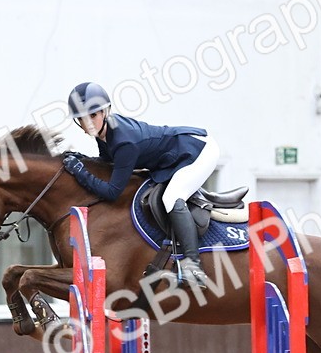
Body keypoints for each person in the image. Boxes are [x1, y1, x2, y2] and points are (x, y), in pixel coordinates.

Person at [61, 81, 219, 288]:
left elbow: (112, 192)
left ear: (105, 112)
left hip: (198, 150)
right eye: (82, 118)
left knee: (171, 197)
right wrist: (83, 160)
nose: (89, 123)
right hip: (178, 152)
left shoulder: (123, 141)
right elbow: (109, 164)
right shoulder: (105, 132)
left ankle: (193, 267)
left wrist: (80, 172)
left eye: (93, 115)